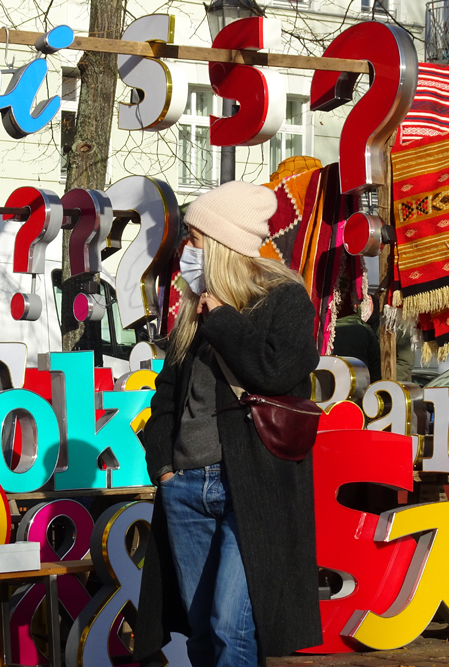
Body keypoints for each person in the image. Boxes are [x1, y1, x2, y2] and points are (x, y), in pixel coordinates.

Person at [135, 181, 322, 667]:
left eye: (195, 238)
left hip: (254, 486)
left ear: (222, 245)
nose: (186, 249)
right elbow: (167, 398)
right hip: (186, 485)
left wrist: (220, 317)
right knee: (200, 631)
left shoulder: (285, 299)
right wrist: (165, 468)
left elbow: (276, 371)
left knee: (230, 624)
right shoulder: (192, 311)